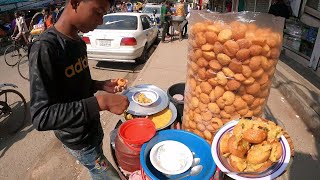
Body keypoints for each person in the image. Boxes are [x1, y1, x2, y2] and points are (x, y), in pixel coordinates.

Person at [28, 0, 129, 179]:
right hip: (78, 141)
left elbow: (77, 83)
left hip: (93, 129)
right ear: (75, 3)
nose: (101, 21)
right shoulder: (46, 48)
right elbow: (41, 116)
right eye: (98, 12)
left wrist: (99, 85)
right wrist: (101, 102)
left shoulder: (78, 43)